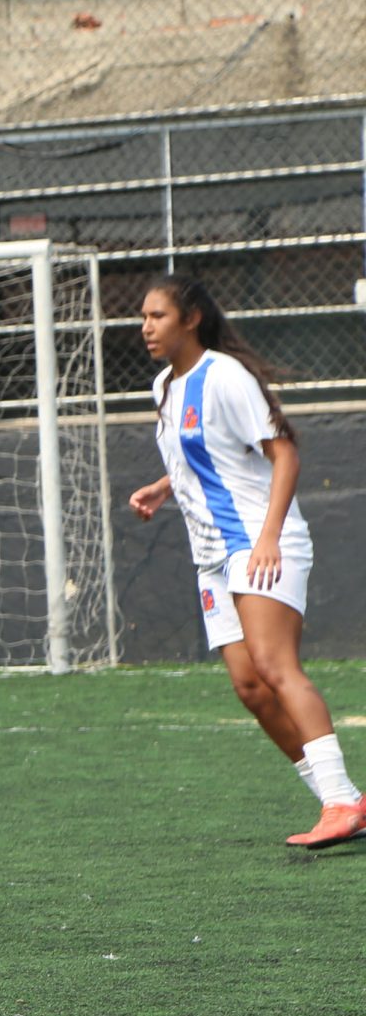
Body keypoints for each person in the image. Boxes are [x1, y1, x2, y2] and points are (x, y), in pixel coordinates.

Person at [128, 275, 365, 848]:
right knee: (251, 688)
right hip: (211, 556)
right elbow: (207, 451)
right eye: (142, 317)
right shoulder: (165, 384)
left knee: (274, 665)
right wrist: (166, 485)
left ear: (190, 319)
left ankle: (339, 803)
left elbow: (283, 455)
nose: (145, 327)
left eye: (158, 316)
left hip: (259, 543)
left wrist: (269, 536)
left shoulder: (227, 376)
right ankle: (347, 801)